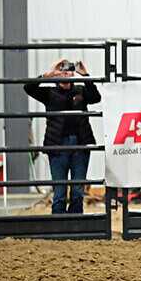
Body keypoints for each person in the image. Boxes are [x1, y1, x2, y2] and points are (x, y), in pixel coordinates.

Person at [24, 59, 100, 214]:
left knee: (78, 191)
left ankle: (76, 224)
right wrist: (49, 74)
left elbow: (96, 97)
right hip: (57, 146)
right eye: (62, 69)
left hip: (80, 144)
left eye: (68, 69)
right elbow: (28, 88)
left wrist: (85, 75)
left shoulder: (80, 91)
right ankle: (59, 224)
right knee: (59, 191)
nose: (66, 72)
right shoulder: (49, 93)